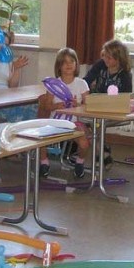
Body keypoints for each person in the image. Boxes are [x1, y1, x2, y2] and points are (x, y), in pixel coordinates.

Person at [37, 48, 90, 179]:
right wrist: (57, 105)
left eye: (72, 61)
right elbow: (47, 106)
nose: (69, 64)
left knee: (84, 143)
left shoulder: (81, 83)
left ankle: (79, 162)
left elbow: (88, 106)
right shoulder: (54, 84)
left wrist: (77, 105)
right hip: (54, 123)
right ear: (59, 66)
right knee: (39, 139)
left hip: (73, 123)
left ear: (76, 64)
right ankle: (44, 162)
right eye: (64, 62)